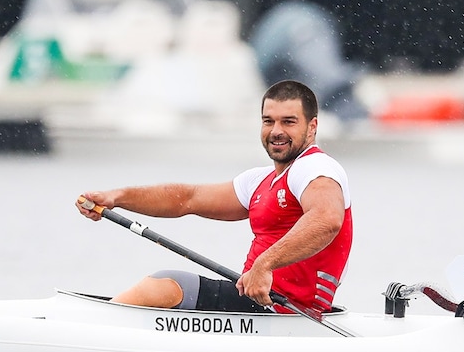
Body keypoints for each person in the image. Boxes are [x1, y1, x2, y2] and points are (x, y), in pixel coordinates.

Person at [77, 80, 353, 313]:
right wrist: (117, 197)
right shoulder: (260, 180)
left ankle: (92, 328)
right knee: (165, 289)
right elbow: (187, 198)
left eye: (289, 122)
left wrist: (264, 264)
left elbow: (327, 220)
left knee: (166, 285)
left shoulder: (315, 167)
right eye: (268, 121)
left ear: (312, 126)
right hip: (256, 302)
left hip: (288, 309)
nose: (276, 131)